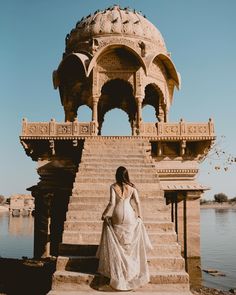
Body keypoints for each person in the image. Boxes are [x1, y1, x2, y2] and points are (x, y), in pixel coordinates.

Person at [96, 166, 153, 291]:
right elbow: (137, 202)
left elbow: (111, 203)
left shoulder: (113, 187)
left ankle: (120, 269)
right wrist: (140, 217)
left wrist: (104, 214)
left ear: (117, 175)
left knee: (118, 244)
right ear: (127, 175)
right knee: (128, 244)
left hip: (117, 214)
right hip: (129, 215)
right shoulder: (132, 188)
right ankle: (130, 270)